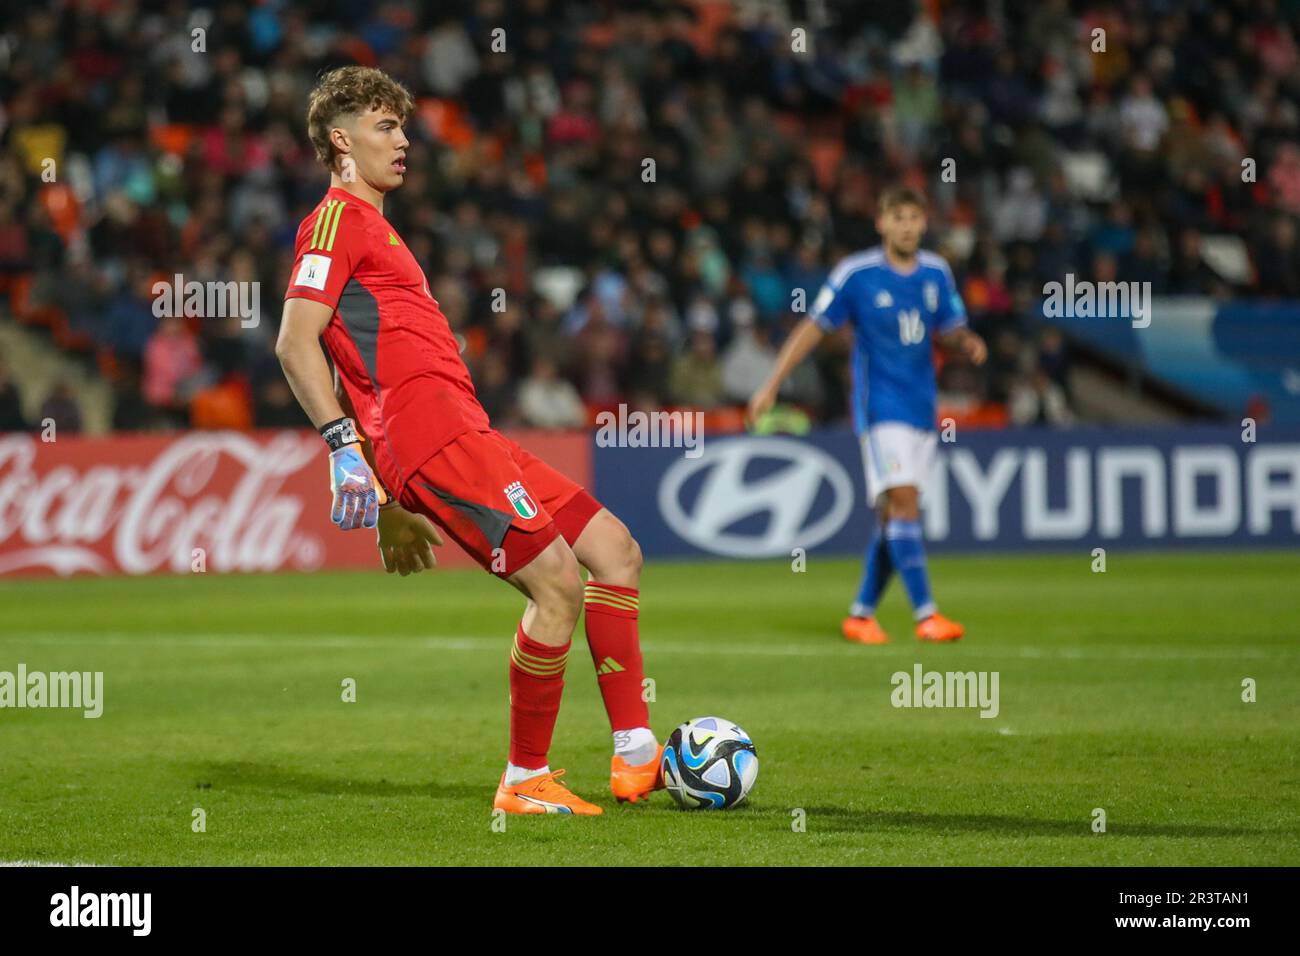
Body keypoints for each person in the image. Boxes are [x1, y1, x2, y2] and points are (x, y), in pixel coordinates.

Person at [275, 67, 659, 815]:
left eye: (403, 126)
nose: (405, 141)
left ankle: (636, 756)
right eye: (387, 127)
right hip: (433, 436)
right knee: (555, 583)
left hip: (466, 428)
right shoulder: (333, 222)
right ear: (339, 140)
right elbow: (295, 344)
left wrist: (387, 497)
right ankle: (524, 779)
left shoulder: (376, 226)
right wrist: (345, 451)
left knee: (615, 550)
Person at [748, 187, 987, 645]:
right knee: (904, 502)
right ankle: (926, 616)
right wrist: (772, 383)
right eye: (897, 217)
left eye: (914, 217)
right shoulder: (857, 274)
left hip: (921, 408)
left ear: (923, 223)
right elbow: (813, 327)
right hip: (879, 409)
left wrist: (967, 342)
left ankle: (860, 614)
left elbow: (950, 325)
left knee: (892, 518)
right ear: (881, 223)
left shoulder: (937, 272)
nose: (907, 226)